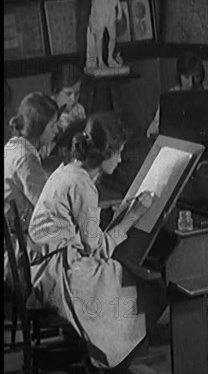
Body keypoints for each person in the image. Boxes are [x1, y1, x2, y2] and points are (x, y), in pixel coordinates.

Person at [27, 113, 167, 371]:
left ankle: (110, 351)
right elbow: (98, 249)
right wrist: (131, 217)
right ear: (104, 154)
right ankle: (111, 359)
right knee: (129, 280)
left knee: (123, 277)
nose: (122, 159)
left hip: (45, 267)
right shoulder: (82, 185)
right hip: (57, 274)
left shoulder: (69, 170)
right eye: (119, 153)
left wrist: (119, 218)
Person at [4, 93, 59, 284]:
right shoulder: (25, 157)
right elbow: (46, 206)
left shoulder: (14, 146)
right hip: (13, 248)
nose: (56, 130)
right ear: (39, 127)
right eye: (52, 125)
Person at [146, 49, 208, 137]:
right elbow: (153, 130)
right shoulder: (171, 97)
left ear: (202, 76)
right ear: (179, 76)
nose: (191, 83)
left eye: (196, 77)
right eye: (186, 77)